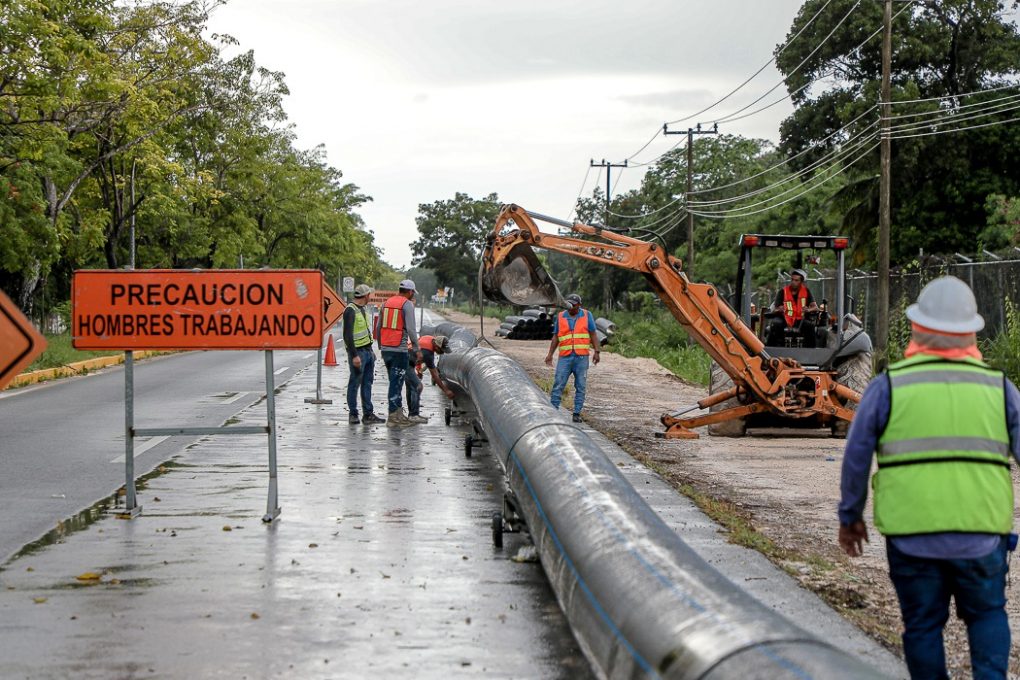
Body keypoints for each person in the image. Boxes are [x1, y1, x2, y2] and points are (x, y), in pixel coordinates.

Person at [838, 276, 1019, 680]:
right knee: (987, 615)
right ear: (971, 331)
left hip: (912, 536)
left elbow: (855, 457)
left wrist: (850, 517)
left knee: (922, 626)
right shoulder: (1000, 389)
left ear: (918, 327)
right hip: (982, 535)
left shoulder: (888, 387)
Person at [545, 293, 600, 423]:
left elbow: (593, 334)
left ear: (579, 305)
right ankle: (554, 411)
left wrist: (597, 351)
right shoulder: (560, 316)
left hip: (581, 358)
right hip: (565, 357)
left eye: (573, 305)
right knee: (558, 383)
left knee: (580, 385)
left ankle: (576, 413)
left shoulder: (587, 315)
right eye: (569, 304)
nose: (571, 307)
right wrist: (550, 355)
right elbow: (556, 337)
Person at [376, 279, 421, 428]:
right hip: (399, 350)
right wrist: (416, 348)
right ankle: (394, 417)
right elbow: (411, 329)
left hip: (386, 349)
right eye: (413, 292)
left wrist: (380, 346)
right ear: (410, 292)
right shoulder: (406, 305)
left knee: (394, 382)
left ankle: (398, 414)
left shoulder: (386, 303)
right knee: (397, 383)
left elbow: (378, 326)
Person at [341, 284, 384, 425]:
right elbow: (347, 335)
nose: (369, 298)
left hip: (367, 351)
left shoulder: (362, 309)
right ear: (365, 296)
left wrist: (371, 351)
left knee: (367, 383)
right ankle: (353, 414)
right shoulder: (350, 310)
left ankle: (368, 414)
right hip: (358, 353)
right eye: (369, 296)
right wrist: (354, 356)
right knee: (355, 383)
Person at [404, 334, 456, 423]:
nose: (442, 352)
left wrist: (418, 370)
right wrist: (446, 390)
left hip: (405, 359)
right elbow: (435, 375)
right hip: (405, 363)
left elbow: (416, 353)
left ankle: (412, 414)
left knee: (411, 387)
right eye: (441, 350)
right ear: (436, 346)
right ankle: (413, 415)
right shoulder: (428, 353)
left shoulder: (429, 338)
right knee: (417, 386)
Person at [766, 269, 819, 347]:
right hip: (784, 319)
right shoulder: (782, 292)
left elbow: (815, 308)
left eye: (796, 280)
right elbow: (775, 309)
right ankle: (773, 348)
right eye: (792, 279)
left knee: (810, 326)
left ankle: (810, 350)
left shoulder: (806, 291)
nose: (793, 282)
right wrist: (779, 309)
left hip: (800, 319)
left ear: (801, 282)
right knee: (776, 323)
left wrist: (808, 309)